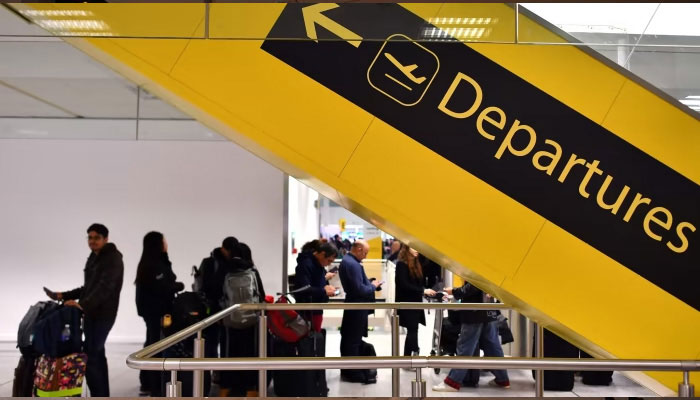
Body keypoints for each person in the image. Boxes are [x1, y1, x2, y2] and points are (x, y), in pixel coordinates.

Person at [43, 223, 124, 397]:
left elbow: (105, 288)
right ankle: (101, 394)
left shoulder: (113, 259)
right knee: (96, 354)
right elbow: (88, 288)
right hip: (91, 313)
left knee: (92, 355)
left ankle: (99, 394)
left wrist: (83, 305)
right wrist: (62, 295)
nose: (92, 241)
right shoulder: (94, 257)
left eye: (96, 238)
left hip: (103, 314)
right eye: (90, 237)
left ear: (106, 239)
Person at [432, 280, 510, 392]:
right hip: (489, 310)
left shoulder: (478, 267)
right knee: (492, 347)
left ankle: (453, 382)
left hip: (474, 312)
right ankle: (502, 379)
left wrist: (454, 291)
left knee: (465, 346)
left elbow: (474, 285)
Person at [134, 231, 184, 396]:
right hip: (158, 312)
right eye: (164, 241)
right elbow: (164, 286)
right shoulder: (154, 265)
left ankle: (148, 382)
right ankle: (154, 384)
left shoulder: (151, 263)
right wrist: (179, 286)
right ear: (159, 244)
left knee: (151, 343)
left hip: (152, 312)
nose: (166, 243)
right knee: (155, 345)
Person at [219, 240, 266, 397]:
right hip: (251, 319)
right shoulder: (252, 271)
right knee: (251, 352)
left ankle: (227, 388)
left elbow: (219, 294)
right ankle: (250, 388)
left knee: (229, 353)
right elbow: (262, 295)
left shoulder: (225, 270)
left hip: (229, 320)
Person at [338, 240, 380, 384]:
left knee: (350, 338)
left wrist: (369, 283)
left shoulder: (349, 261)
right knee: (353, 340)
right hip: (357, 306)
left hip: (355, 305)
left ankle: (349, 371)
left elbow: (358, 285)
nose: (366, 256)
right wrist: (372, 287)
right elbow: (359, 289)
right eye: (365, 253)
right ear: (359, 249)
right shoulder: (352, 264)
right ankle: (353, 373)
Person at [197, 237, 238, 363]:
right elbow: (205, 286)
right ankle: (213, 371)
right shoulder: (210, 263)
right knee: (212, 340)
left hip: (228, 307)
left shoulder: (233, 262)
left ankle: (220, 371)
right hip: (213, 307)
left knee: (224, 340)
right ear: (222, 248)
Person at [394, 246, 435, 357]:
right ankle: (414, 353)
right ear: (406, 249)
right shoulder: (401, 265)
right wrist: (423, 290)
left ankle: (408, 356)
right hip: (406, 303)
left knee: (413, 329)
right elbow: (404, 285)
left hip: (415, 302)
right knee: (412, 329)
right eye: (413, 247)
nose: (416, 249)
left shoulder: (417, 263)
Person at [294, 240, 338, 332]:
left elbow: (316, 282)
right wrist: (324, 291)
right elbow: (303, 289)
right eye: (329, 260)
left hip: (316, 309)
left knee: (314, 339)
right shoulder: (306, 264)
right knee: (309, 340)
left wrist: (326, 287)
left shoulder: (318, 264)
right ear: (322, 254)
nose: (329, 264)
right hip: (307, 311)